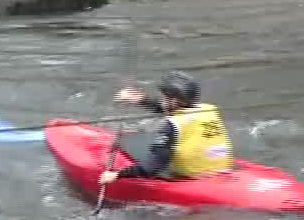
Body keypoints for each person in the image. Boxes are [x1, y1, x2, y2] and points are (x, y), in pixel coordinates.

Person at [96, 71, 233, 185]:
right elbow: (174, 111)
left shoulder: (172, 126)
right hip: (221, 168)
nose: (162, 100)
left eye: (164, 97)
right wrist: (141, 100)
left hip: (194, 177)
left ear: (173, 101)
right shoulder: (208, 110)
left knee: (150, 153)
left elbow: (152, 168)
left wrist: (116, 175)